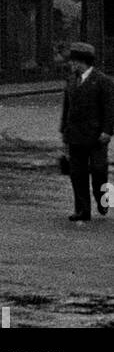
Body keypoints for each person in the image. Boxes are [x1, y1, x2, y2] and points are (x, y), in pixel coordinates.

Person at [59, 42, 114, 223]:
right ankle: (82, 210)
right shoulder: (71, 80)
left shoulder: (103, 80)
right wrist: (63, 132)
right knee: (77, 173)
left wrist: (107, 131)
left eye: (73, 61)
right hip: (75, 134)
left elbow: (109, 108)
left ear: (82, 61)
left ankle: (102, 199)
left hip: (97, 135)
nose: (71, 64)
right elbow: (67, 108)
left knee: (99, 170)